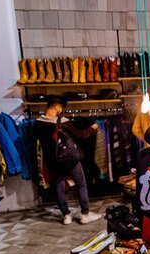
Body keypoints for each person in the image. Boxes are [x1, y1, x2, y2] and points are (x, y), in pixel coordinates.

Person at [35, 96, 102, 225]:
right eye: (61, 108)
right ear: (56, 107)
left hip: (52, 160)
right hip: (69, 158)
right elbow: (81, 135)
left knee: (59, 186)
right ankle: (85, 214)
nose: (61, 111)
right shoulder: (62, 121)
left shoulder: (38, 123)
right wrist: (93, 128)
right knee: (81, 184)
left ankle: (66, 215)